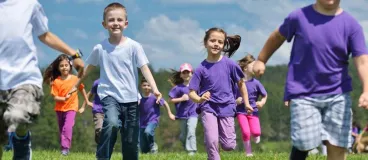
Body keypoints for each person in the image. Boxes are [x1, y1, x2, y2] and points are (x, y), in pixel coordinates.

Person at [253, 0, 368, 160]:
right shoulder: (299, 17)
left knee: (337, 145)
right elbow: (277, 36)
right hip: (303, 93)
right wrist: (261, 60)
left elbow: (362, 60)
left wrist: (366, 90)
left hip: (338, 95)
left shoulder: (351, 25)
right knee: (304, 142)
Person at [0, 0, 84, 159]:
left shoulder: (29, 4)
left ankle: (22, 140)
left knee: (18, 116)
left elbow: (45, 34)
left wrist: (73, 54)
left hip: (24, 78)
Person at [77, 2, 162, 160]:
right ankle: (102, 156)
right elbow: (88, 68)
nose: (115, 23)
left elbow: (144, 68)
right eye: (111, 20)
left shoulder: (134, 47)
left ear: (126, 23)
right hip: (109, 96)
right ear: (104, 24)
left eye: (119, 19)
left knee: (130, 140)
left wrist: (155, 88)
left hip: (130, 99)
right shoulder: (100, 48)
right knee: (112, 123)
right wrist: (76, 84)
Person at [188, 27, 252, 160]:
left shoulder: (230, 64)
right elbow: (191, 92)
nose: (216, 44)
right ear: (205, 43)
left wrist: (246, 104)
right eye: (212, 41)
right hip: (208, 107)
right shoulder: (201, 68)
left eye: (220, 42)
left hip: (227, 106)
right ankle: (213, 154)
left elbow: (241, 84)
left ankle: (217, 147)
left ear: (223, 45)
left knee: (228, 145)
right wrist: (200, 99)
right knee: (212, 140)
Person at [43, 55, 89, 156]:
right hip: (59, 109)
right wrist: (64, 98)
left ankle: (65, 149)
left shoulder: (75, 79)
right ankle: (65, 147)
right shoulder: (56, 81)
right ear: (58, 68)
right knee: (62, 129)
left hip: (72, 107)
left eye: (66, 65)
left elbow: (82, 89)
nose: (64, 67)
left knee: (66, 128)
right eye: (61, 66)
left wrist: (86, 102)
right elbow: (55, 97)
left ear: (70, 66)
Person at [235, 54, 267, 157]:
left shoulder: (256, 83)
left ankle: (256, 135)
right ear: (245, 67)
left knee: (256, 132)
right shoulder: (237, 83)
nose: (255, 68)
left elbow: (265, 95)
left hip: (254, 112)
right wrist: (236, 101)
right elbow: (230, 97)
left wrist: (261, 102)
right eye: (253, 65)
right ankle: (248, 152)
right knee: (245, 132)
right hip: (240, 112)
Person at [168, 63, 198, 155]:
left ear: (191, 73)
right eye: (183, 72)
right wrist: (181, 99)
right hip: (182, 115)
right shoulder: (178, 88)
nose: (186, 74)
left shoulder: (196, 86)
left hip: (194, 114)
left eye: (187, 72)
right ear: (181, 75)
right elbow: (171, 100)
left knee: (191, 131)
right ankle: (184, 142)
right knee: (184, 135)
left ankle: (191, 151)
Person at [139, 79, 175, 154]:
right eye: (144, 85)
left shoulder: (155, 97)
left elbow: (165, 103)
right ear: (141, 86)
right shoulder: (139, 98)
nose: (146, 87)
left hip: (153, 120)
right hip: (141, 122)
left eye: (148, 85)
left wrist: (170, 113)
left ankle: (153, 145)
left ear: (151, 87)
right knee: (143, 149)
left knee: (148, 132)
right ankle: (148, 152)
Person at [79, 79, 104, 144]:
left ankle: (107, 146)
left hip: (110, 110)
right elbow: (90, 93)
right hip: (98, 110)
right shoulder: (97, 83)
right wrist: (83, 106)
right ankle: (101, 143)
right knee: (99, 129)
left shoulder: (115, 82)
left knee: (109, 130)